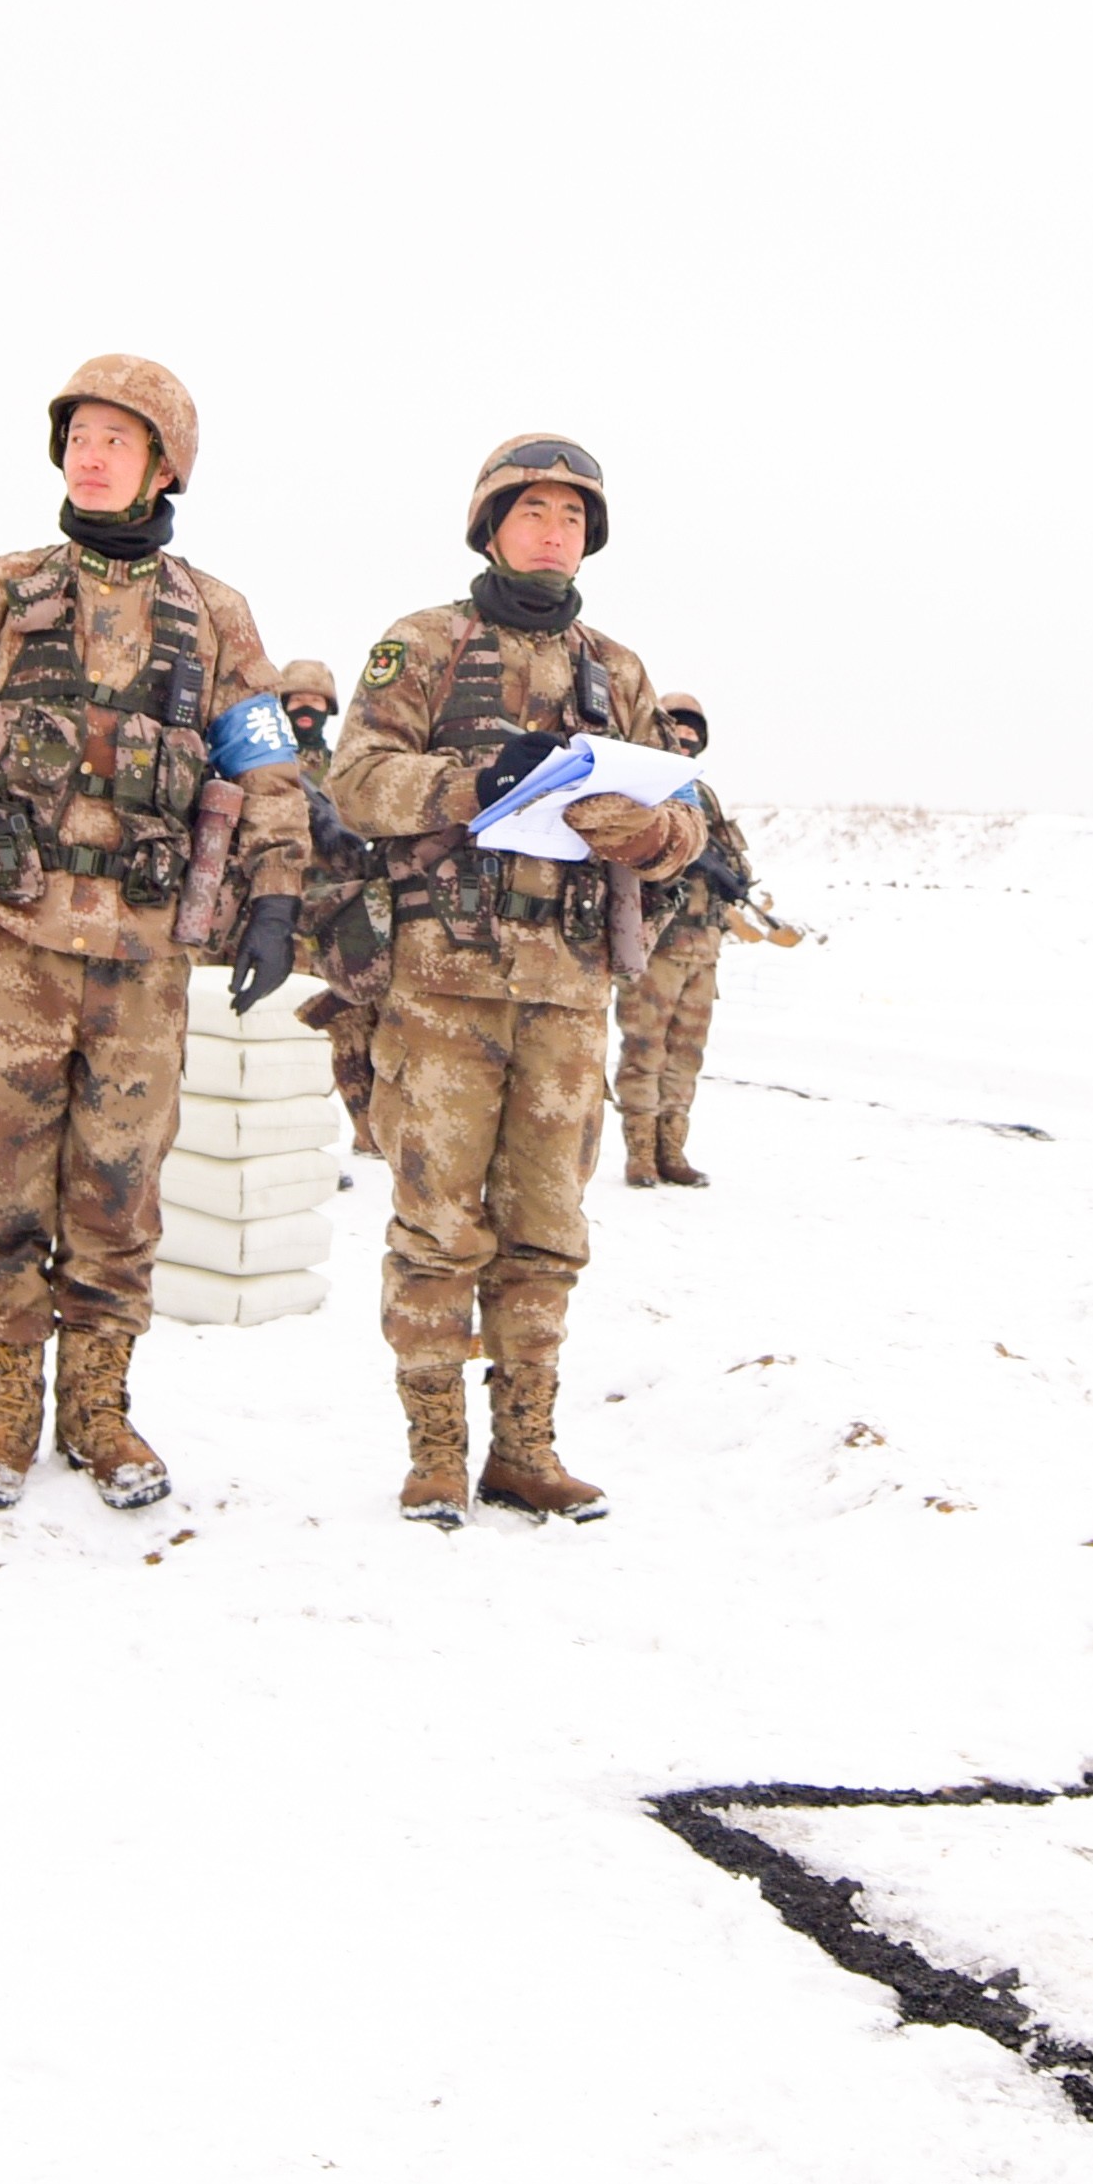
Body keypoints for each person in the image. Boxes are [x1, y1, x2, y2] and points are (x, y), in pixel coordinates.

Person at [0, 354, 307, 1506]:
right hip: (13, 947)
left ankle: (100, 1411)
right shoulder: (2, 589)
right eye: (78, 435)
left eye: (115, 440)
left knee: (119, 1191)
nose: (90, 454)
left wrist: (276, 892)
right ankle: (0, 1416)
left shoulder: (213, 611)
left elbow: (264, 761)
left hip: (143, 960)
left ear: (163, 463)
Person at [321, 438, 703, 1526]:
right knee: (438, 1225)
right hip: (443, 988)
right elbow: (353, 782)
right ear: (492, 524)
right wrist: (464, 781)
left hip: (570, 994)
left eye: (572, 518)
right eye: (533, 511)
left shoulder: (617, 670)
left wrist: (655, 831)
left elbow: (688, 816)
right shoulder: (425, 644)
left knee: (547, 1227)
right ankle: (435, 1450)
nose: (553, 532)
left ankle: (524, 1447)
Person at [614, 691, 752, 1189]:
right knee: (644, 1051)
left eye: (694, 732)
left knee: (686, 1055)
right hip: (657, 945)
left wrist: (731, 874)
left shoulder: (703, 796)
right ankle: (641, 1155)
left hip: (703, 946)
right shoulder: (641, 788)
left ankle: (673, 1149)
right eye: (678, 729)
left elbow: (735, 859)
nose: (686, 740)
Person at [273, 658, 392, 1157]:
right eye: (296, 700)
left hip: (342, 915)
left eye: (315, 701)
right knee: (286, 1032)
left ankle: (366, 1134)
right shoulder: (266, 762)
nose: (306, 709)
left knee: (351, 1030)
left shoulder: (345, 764)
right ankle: (295, 1144)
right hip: (283, 914)